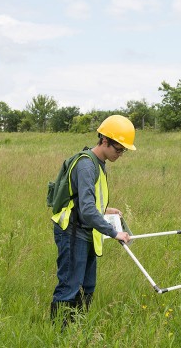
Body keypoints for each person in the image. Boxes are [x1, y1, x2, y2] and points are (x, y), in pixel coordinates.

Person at [50, 115, 135, 325]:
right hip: (72, 231)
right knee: (70, 285)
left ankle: (77, 327)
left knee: (88, 285)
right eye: (118, 149)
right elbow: (87, 210)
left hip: (86, 230)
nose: (120, 154)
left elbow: (86, 202)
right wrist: (114, 232)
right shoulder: (87, 165)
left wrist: (106, 210)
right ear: (104, 141)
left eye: (123, 150)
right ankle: (59, 332)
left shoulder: (99, 163)